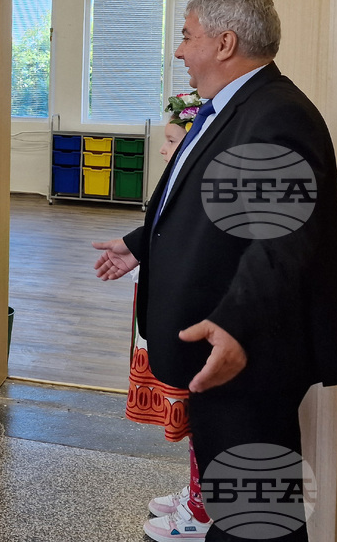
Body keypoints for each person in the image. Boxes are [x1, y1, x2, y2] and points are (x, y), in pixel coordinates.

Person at [93, 0, 337, 542]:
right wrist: (140, 244)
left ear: (224, 43)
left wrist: (235, 325)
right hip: (221, 340)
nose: (178, 51)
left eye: (186, 36)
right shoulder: (232, 107)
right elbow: (210, 206)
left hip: (245, 347)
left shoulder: (277, 113)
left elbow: (283, 238)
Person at [124, 92, 212, 537]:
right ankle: (198, 492)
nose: (163, 150)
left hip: (195, 312)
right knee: (196, 417)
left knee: (203, 413)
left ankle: (203, 509)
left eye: (173, 141)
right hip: (169, 301)